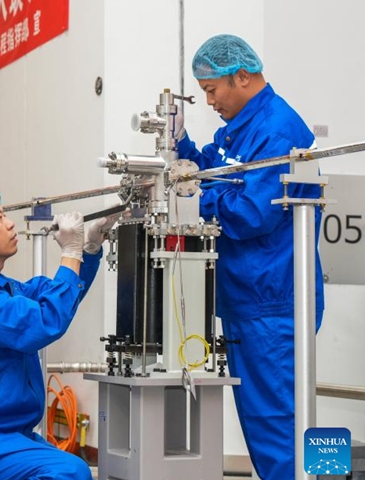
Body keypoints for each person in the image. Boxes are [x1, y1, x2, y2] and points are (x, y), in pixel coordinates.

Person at [176, 34, 324, 480]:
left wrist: (193, 199)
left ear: (242, 77)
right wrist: (182, 146)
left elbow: (251, 214)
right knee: (262, 423)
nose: (209, 101)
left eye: (211, 90)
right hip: (248, 299)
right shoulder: (239, 128)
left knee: (278, 424)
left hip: (272, 303)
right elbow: (213, 170)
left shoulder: (276, 130)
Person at [0, 189, 115, 480]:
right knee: (70, 471)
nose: (10, 224)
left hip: (5, 435)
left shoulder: (4, 289)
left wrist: (89, 249)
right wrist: (70, 252)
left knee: (69, 467)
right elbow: (43, 323)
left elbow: (59, 299)